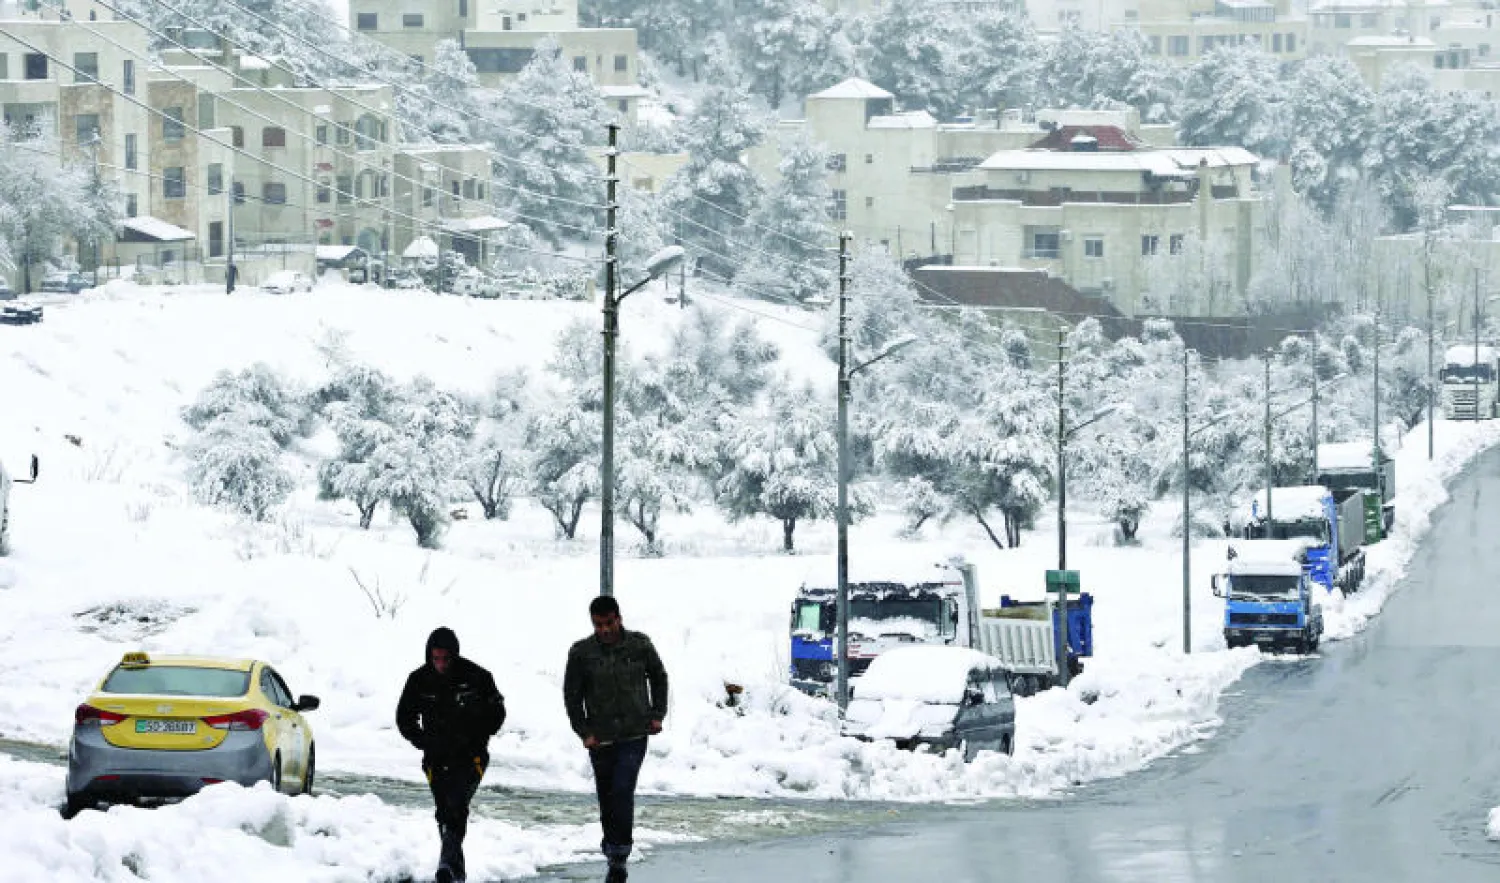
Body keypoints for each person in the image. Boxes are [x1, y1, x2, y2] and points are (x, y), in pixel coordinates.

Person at [563, 596, 669, 882]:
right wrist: (584, 732)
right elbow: (572, 696)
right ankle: (612, 849)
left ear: (619, 618)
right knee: (607, 796)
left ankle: (620, 853)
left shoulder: (639, 645)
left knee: (622, 789)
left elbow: (659, 677)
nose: (605, 630)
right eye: (599, 625)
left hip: (634, 733)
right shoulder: (582, 653)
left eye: (609, 623)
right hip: (601, 738)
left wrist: (657, 713)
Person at [397, 627, 506, 883]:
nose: (441, 664)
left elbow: (498, 712)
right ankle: (455, 871)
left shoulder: (477, 677)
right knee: (445, 811)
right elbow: (404, 717)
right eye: (436, 658)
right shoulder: (419, 680)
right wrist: (423, 740)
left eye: (446, 659)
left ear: (454, 656)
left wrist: (478, 734)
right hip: (436, 758)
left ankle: (446, 865)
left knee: (456, 806)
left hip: (471, 757)